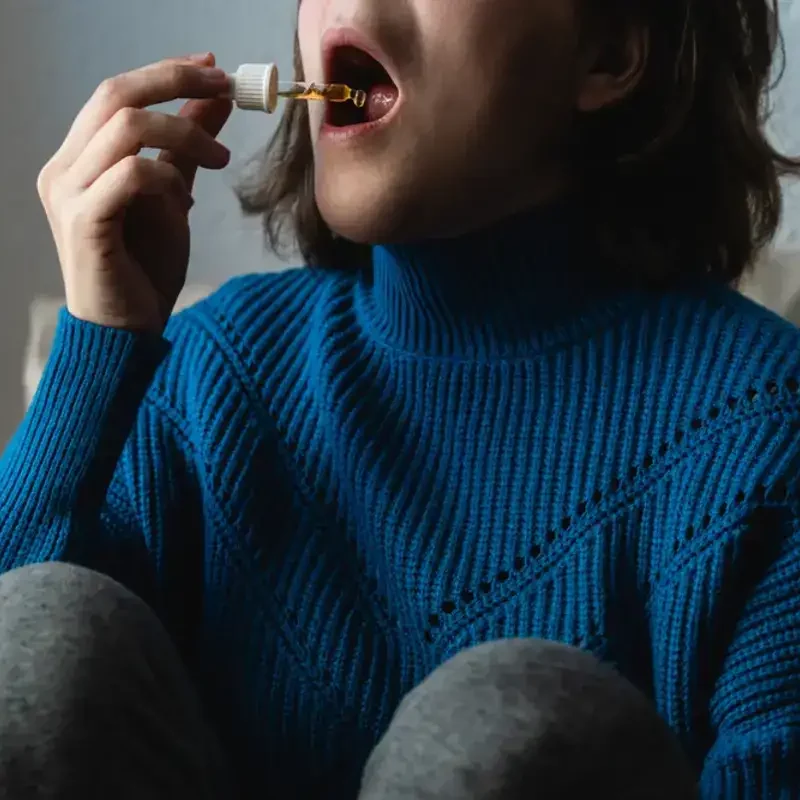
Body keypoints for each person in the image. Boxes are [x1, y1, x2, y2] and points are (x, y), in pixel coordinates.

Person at [0, 0, 798, 795]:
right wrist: (94, 350)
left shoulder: (767, 437)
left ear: (611, 54)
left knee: (505, 727)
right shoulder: (211, 376)